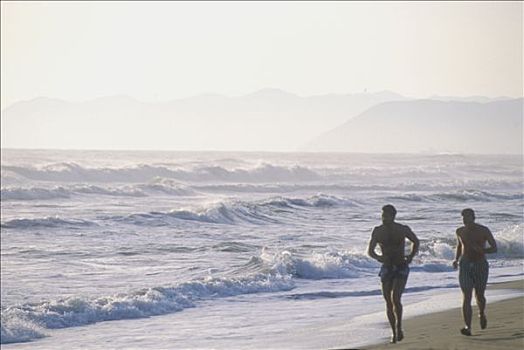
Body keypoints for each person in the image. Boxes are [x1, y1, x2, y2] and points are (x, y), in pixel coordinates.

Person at [367, 204, 420, 343]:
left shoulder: (402, 229)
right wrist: (379, 257)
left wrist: (410, 256)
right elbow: (370, 251)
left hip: (401, 265)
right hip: (387, 267)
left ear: (393, 216)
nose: (384, 218)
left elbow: (416, 241)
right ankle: (393, 332)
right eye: (382, 215)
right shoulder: (378, 231)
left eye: (387, 215)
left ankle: (399, 327)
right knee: (388, 301)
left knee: (396, 298)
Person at [452, 208, 497, 336]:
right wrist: (456, 259)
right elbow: (460, 246)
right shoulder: (460, 231)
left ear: (473, 217)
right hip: (465, 264)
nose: (465, 220)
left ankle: (482, 313)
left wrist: (482, 251)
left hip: (480, 264)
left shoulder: (483, 230)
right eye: (463, 218)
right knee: (466, 296)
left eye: (467, 217)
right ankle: (468, 327)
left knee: (480, 294)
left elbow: (494, 248)